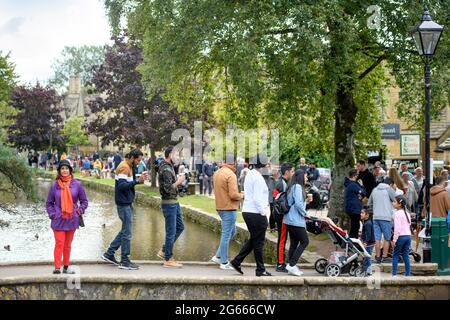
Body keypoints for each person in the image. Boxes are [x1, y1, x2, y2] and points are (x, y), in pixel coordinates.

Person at [101, 149, 148, 270]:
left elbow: (126, 183)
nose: (139, 162)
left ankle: (109, 253)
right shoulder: (124, 167)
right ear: (132, 157)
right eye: (138, 160)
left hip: (125, 202)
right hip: (123, 204)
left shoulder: (127, 166)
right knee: (127, 233)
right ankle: (125, 260)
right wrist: (137, 181)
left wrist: (137, 180)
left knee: (124, 231)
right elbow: (122, 186)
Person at [230, 153, 272, 277]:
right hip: (256, 212)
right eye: (267, 162)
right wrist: (264, 213)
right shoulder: (258, 178)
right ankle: (260, 269)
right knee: (258, 241)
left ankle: (237, 261)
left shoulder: (250, 174)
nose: (268, 165)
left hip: (247, 211)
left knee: (254, 239)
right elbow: (258, 199)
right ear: (263, 164)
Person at [46, 160, 88, 274]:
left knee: (67, 245)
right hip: (58, 219)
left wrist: (79, 210)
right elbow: (49, 203)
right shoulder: (55, 186)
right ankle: (57, 267)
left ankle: (66, 267)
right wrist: (52, 214)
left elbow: (84, 201)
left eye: (66, 168)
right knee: (59, 243)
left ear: (70, 170)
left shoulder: (77, 184)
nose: (64, 170)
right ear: (59, 171)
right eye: (62, 168)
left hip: (71, 218)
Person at [210, 155, 244, 270]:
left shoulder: (217, 172)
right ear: (234, 163)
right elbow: (234, 195)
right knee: (226, 235)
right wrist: (242, 195)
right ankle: (223, 262)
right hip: (228, 208)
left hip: (220, 207)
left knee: (232, 232)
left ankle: (218, 256)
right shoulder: (231, 175)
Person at [157, 147, 186, 268]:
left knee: (180, 227)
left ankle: (164, 250)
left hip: (174, 202)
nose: (178, 158)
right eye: (176, 155)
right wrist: (179, 181)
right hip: (169, 203)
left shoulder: (169, 167)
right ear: (170, 155)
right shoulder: (166, 169)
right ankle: (168, 259)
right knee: (171, 231)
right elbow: (168, 188)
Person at [283, 169, 310, 276]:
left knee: (294, 243)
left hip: (289, 219)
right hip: (295, 220)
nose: (307, 178)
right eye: (305, 176)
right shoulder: (298, 187)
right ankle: (292, 264)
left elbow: (296, 203)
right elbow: (298, 204)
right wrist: (305, 214)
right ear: (300, 177)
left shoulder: (292, 186)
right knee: (305, 241)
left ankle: (291, 265)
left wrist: (306, 202)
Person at [368, 176, 395, 264]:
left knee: (377, 238)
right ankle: (385, 256)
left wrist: (375, 209)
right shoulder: (389, 189)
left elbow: (369, 204)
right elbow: (397, 200)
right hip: (386, 217)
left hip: (376, 217)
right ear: (390, 184)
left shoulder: (374, 190)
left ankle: (378, 256)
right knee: (387, 238)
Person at [273, 163, 294, 273]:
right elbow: (280, 202)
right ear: (287, 172)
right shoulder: (283, 184)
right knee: (282, 239)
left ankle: (281, 262)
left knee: (283, 239)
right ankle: (280, 263)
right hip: (282, 216)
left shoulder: (280, 183)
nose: (293, 173)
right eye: (292, 171)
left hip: (278, 215)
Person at [392, 195, 412, 277]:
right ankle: (407, 274)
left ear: (399, 204)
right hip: (408, 236)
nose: (393, 203)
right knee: (406, 255)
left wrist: (394, 239)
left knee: (395, 255)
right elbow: (409, 224)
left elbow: (397, 228)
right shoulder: (407, 213)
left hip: (400, 237)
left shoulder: (397, 214)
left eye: (394, 202)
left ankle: (394, 274)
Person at [344, 168, 366, 239]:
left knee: (354, 226)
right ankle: (354, 242)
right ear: (355, 176)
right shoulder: (353, 185)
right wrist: (362, 185)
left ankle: (352, 241)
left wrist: (360, 195)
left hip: (351, 208)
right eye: (357, 175)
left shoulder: (349, 184)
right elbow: (363, 193)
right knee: (355, 227)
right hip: (354, 209)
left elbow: (361, 195)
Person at [360, 208, 375, 276]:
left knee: (367, 257)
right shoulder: (366, 222)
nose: (361, 214)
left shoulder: (368, 223)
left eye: (362, 213)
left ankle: (369, 271)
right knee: (366, 257)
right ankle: (365, 270)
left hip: (369, 243)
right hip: (368, 242)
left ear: (367, 215)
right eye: (361, 213)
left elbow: (368, 234)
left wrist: (366, 242)